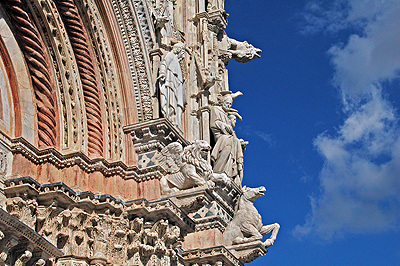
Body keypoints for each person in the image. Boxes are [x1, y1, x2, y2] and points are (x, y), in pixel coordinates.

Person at [210, 91, 245, 186]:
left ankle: (228, 173)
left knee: (233, 144)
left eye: (230, 104)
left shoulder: (226, 114)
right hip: (220, 135)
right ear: (222, 102)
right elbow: (214, 123)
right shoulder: (215, 109)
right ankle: (218, 170)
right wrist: (224, 126)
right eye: (227, 103)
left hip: (228, 137)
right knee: (228, 144)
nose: (228, 105)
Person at [158, 43, 186, 129]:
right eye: (182, 52)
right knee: (171, 101)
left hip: (177, 86)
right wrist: (162, 73)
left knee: (179, 104)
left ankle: (176, 121)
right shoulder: (170, 55)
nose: (183, 55)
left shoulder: (177, 61)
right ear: (178, 50)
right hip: (171, 83)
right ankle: (171, 117)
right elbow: (164, 63)